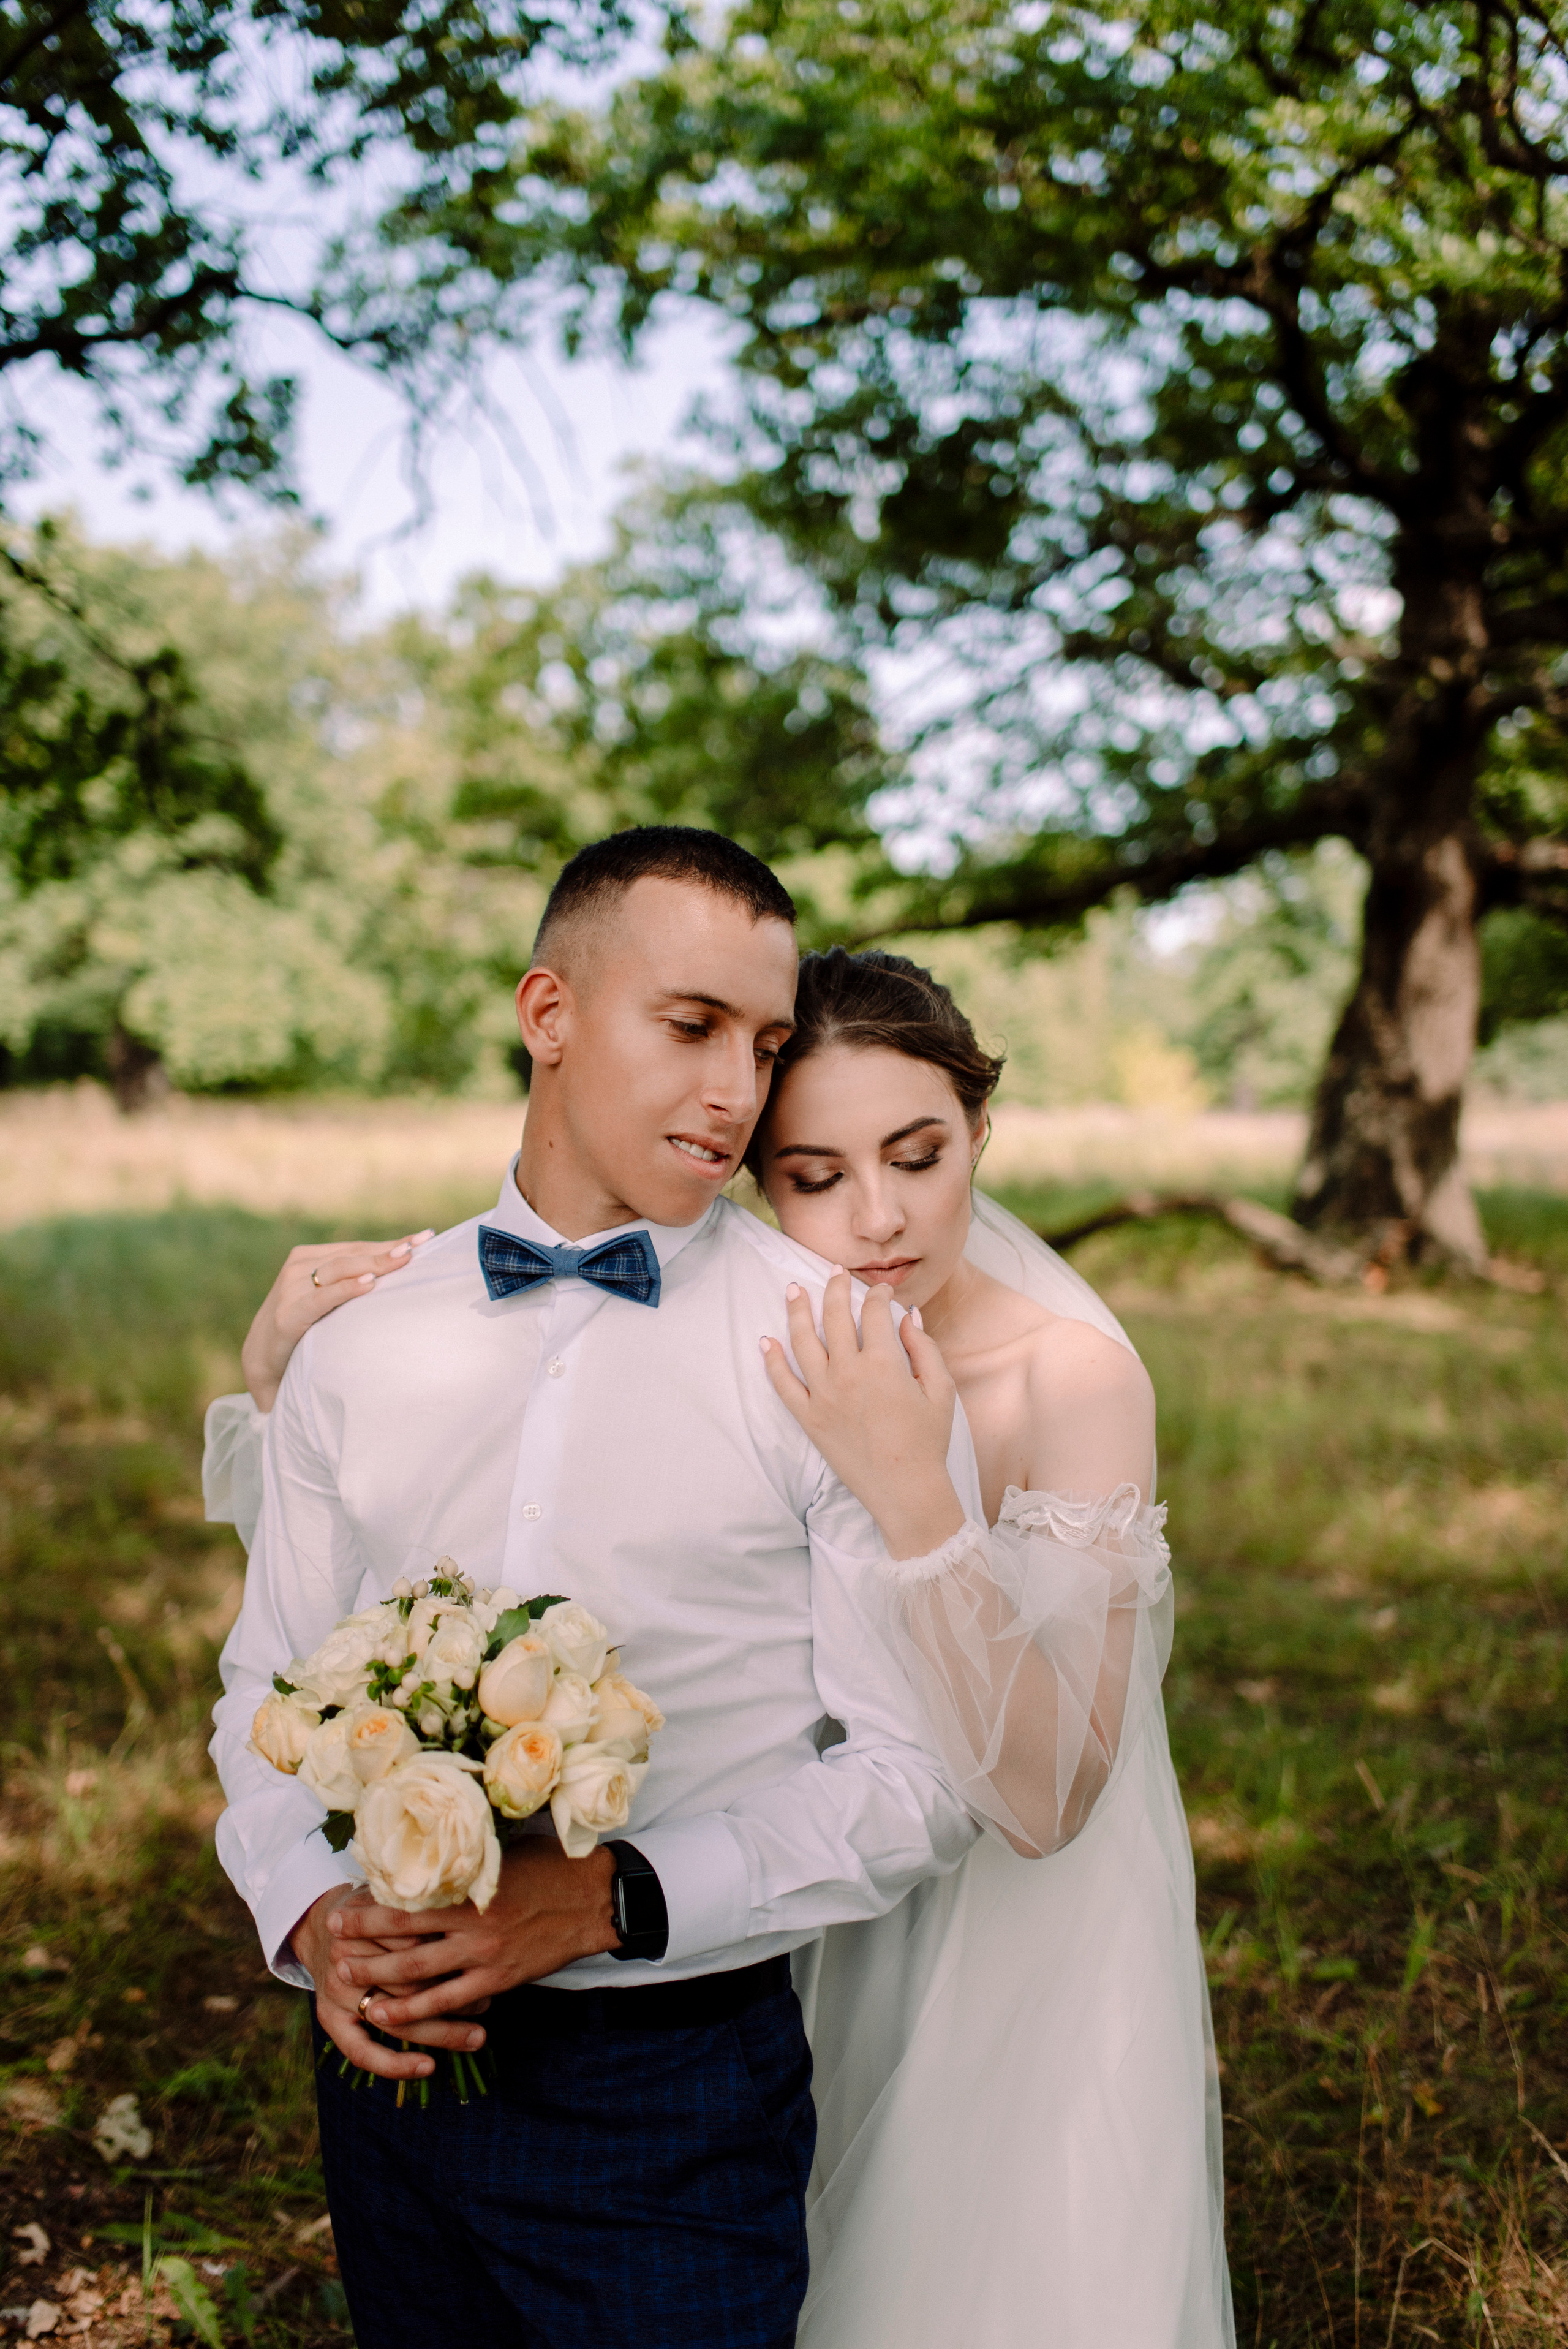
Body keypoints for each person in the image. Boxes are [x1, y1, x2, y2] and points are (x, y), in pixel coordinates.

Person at [209, 929, 1235, 2346]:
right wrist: (284, 1384)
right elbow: (451, 1549)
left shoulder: (1064, 1377)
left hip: (1003, 1912)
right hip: (778, 1881)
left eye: (918, 1156)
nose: (878, 1218)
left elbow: (1044, 1798)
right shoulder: (760, 1332)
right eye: (814, 1176)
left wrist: (914, 1493)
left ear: (980, 1132)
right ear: (750, 1177)